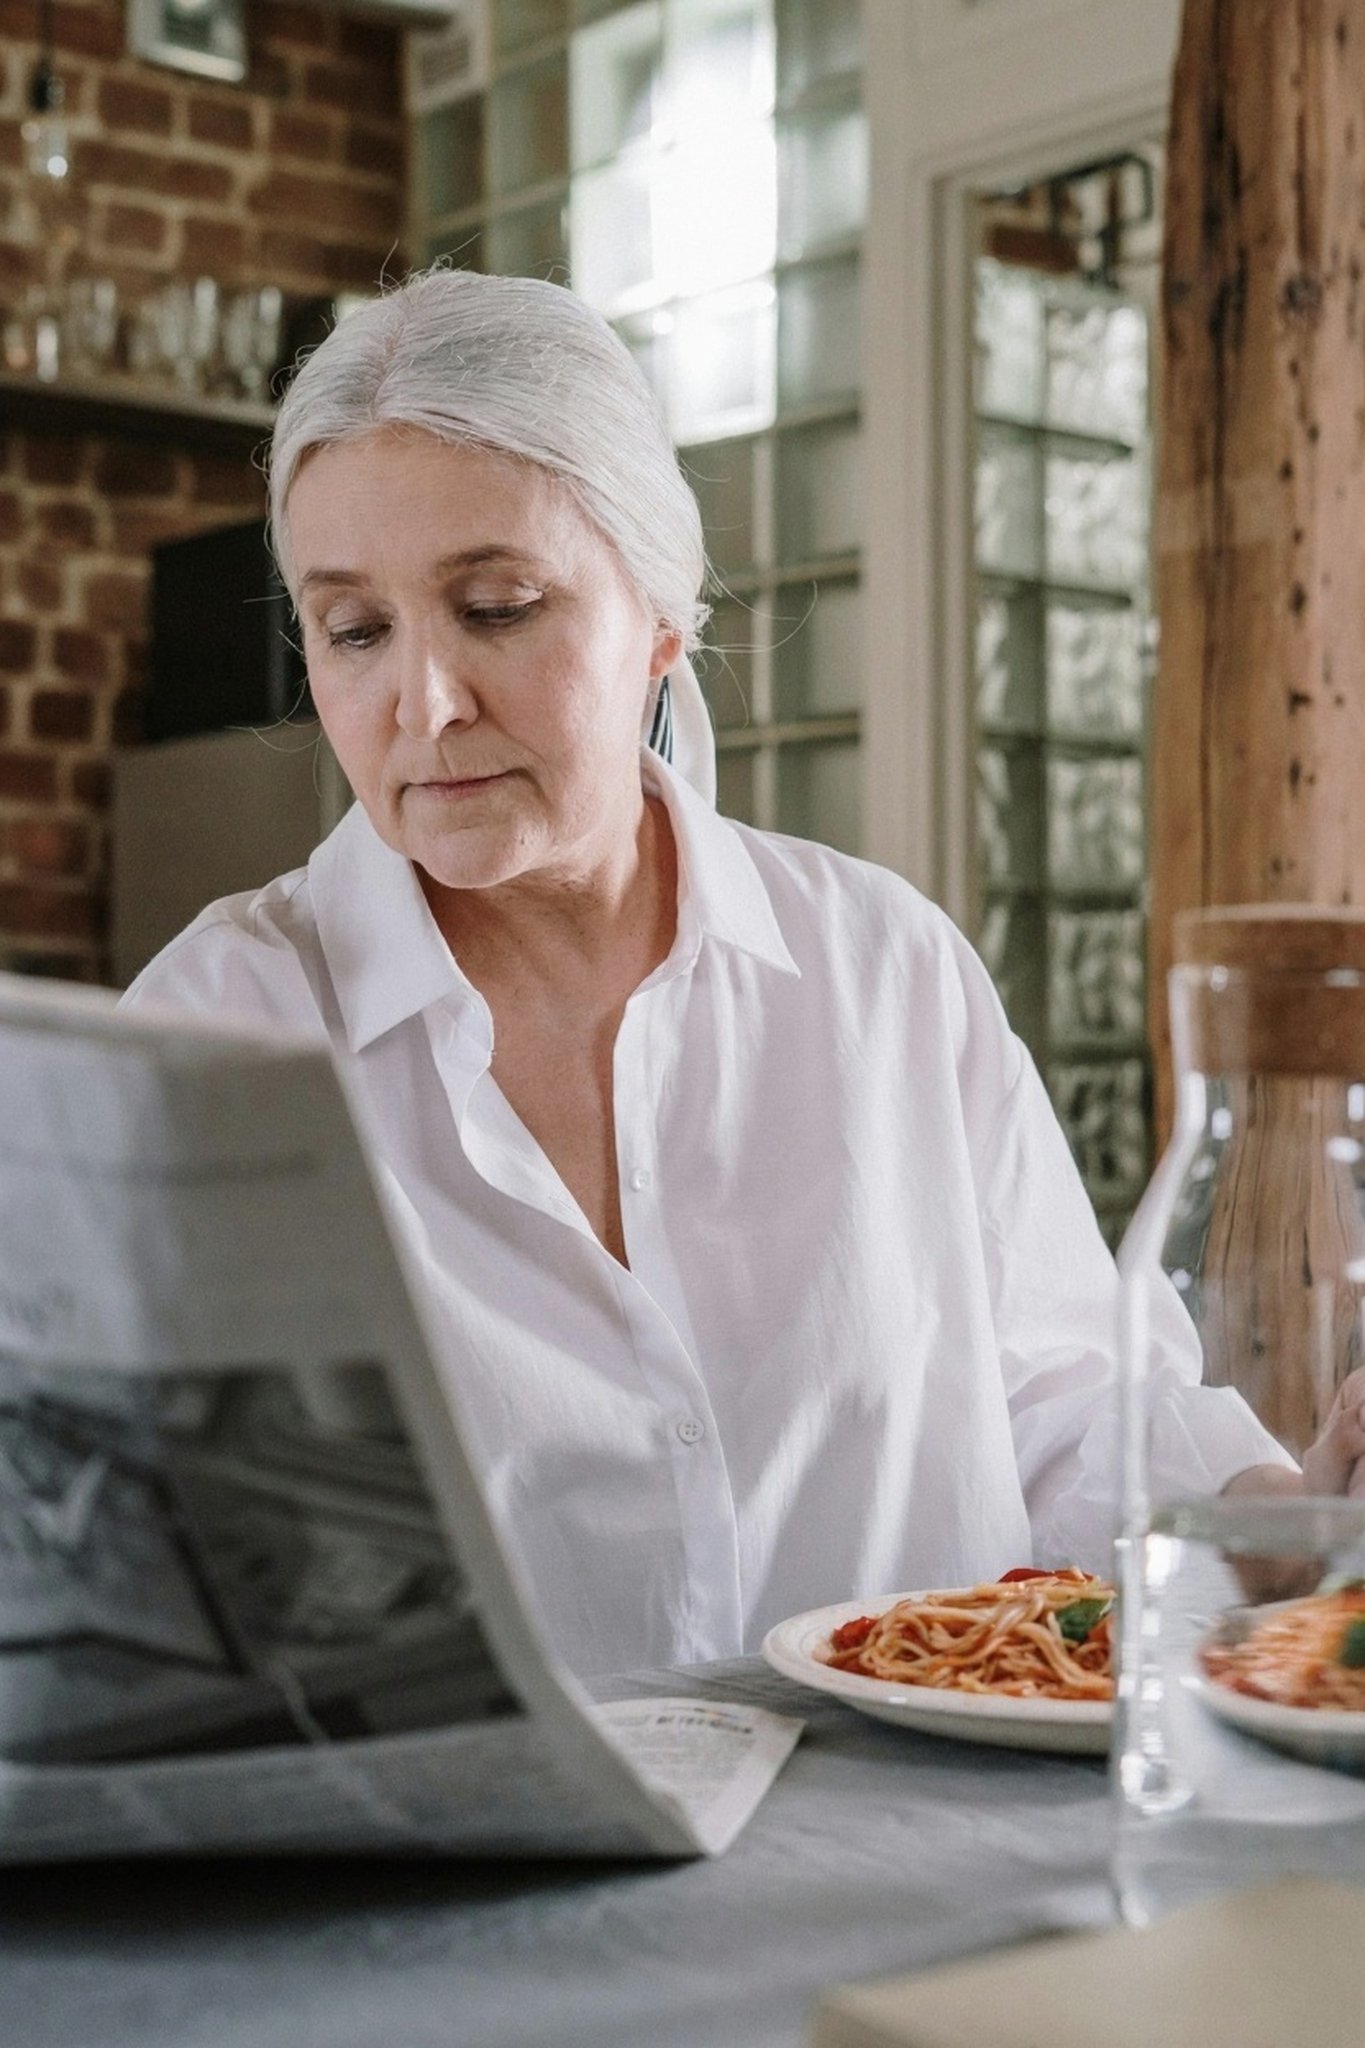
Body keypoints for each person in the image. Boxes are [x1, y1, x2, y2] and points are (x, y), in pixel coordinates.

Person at [122, 267, 1300, 1679]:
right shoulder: (212, 1038)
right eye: (356, 631)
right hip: (461, 1830)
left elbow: (1068, 1404)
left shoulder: (885, 971)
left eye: (497, 606)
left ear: (662, 619)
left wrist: (1295, 1524)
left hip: (910, 1813)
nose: (424, 705)